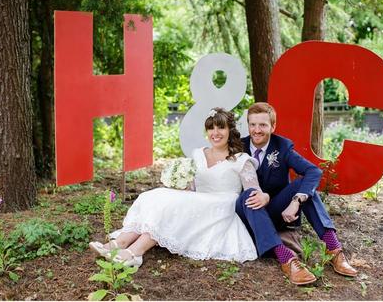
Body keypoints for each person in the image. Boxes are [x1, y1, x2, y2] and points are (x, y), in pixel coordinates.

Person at [90, 107, 269, 267]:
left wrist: (265, 197)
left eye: (221, 127)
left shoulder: (241, 160)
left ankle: (135, 252)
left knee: (175, 206)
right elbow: (190, 187)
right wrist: (178, 184)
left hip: (221, 204)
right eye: (211, 128)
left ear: (230, 130)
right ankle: (118, 243)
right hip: (198, 198)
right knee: (154, 196)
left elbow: (254, 191)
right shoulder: (198, 154)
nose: (216, 132)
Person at [235, 102, 357, 285]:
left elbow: (314, 171)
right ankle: (286, 259)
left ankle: (334, 250)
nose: (257, 130)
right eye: (252, 124)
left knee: (306, 188)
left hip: (276, 209)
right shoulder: (238, 147)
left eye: (263, 125)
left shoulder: (282, 146)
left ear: (273, 126)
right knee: (249, 195)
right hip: (249, 212)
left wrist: (296, 200)